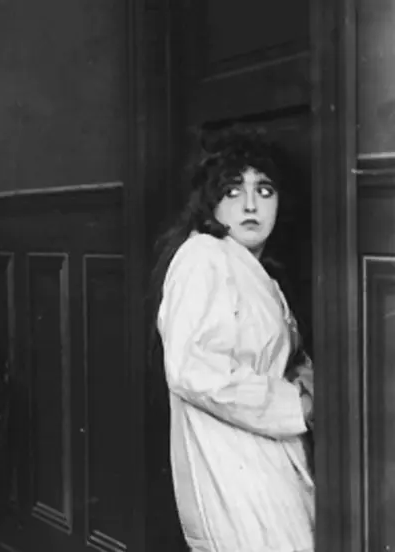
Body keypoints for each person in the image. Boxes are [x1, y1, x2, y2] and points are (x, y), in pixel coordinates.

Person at [148, 126, 315, 552]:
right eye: (233, 190)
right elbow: (192, 370)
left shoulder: (257, 271)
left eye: (265, 190)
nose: (250, 205)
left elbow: (286, 356)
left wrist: (307, 384)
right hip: (227, 455)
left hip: (268, 452)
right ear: (211, 201)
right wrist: (297, 405)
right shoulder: (202, 258)